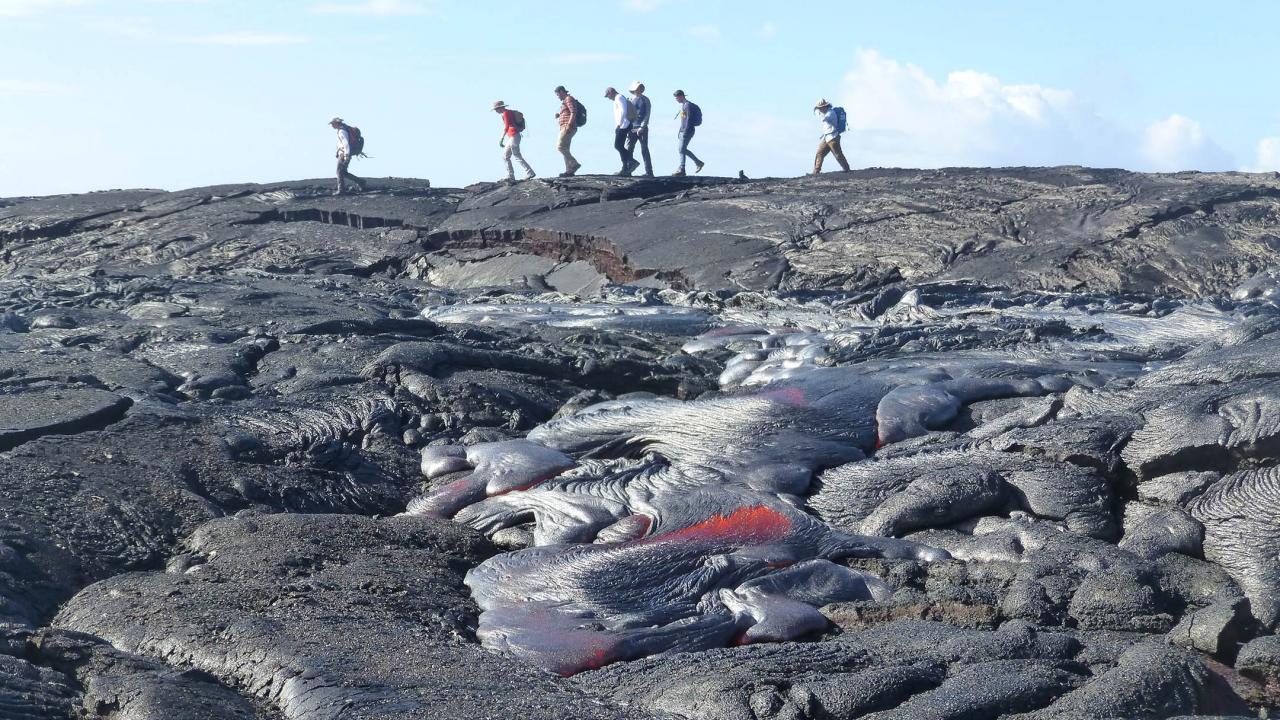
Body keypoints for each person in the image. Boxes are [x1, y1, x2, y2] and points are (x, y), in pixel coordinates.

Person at [493, 100, 536, 184]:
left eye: (496, 109)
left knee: (516, 155)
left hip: (514, 136)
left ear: (500, 108)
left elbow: (506, 127)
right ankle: (510, 175)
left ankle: (529, 172)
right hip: (513, 136)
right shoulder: (508, 113)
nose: (495, 111)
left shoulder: (505, 113)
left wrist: (501, 138)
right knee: (505, 156)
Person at [604, 87, 639, 176]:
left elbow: (623, 111)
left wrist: (619, 124)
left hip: (624, 125)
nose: (608, 98)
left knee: (618, 145)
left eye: (608, 95)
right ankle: (625, 168)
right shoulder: (618, 98)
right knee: (620, 146)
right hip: (623, 125)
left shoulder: (619, 97)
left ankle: (631, 162)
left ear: (611, 92)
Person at [329, 117, 366, 195]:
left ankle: (341, 190)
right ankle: (361, 182)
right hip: (344, 153)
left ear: (337, 123)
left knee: (339, 171)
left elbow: (346, 144)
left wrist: (346, 156)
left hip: (344, 154)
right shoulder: (344, 129)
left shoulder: (342, 131)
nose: (332, 125)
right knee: (344, 172)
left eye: (332, 124)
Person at [813, 98, 851, 173]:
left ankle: (847, 169)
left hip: (833, 138)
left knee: (838, 154)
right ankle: (816, 171)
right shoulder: (827, 113)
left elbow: (824, 119)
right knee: (819, 153)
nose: (819, 110)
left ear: (824, 107)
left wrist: (818, 114)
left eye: (820, 108)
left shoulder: (830, 113)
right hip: (827, 138)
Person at [624, 81, 653, 177]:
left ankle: (649, 171)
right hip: (631, 128)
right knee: (629, 149)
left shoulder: (645, 100)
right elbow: (626, 114)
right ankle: (628, 170)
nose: (638, 89)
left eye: (640, 87)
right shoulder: (630, 99)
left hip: (642, 128)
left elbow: (647, 114)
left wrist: (642, 126)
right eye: (637, 87)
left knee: (644, 149)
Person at [672, 90, 704, 176]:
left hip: (687, 131)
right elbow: (683, 120)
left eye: (677, 97)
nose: (676, 99)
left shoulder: (688, 106)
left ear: (681, 96)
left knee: (681, 149)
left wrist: (685, 131)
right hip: (683, 131)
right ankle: (684, 168)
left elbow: (689, 120)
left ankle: (687, 167)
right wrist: (680, 131)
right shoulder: (684, 105)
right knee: (681, 149)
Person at [553, 85, 582, 177]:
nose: (558, 97)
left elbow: (573, 112)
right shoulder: (565, 101)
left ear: (562, 92)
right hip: (565, 127)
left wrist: (569, 124)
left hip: (568, 127)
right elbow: (569, 112)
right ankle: (569, 170)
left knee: (560, 147)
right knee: (565, 148)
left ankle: (574, 163)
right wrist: (559, 115)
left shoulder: (569, 99)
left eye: (558, 94)